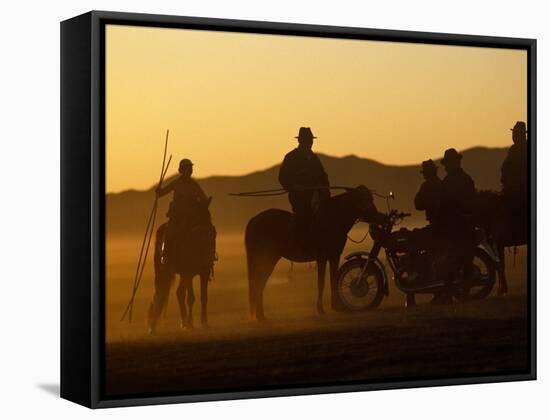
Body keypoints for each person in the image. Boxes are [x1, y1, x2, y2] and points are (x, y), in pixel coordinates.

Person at [437, 148, 477, 302]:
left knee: (452, 261)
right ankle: (461, 294)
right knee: (463, 262)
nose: (446, 167)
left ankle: (449, 294)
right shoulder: (466, 179)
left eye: (448, 163)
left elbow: (444, 203)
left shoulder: (449, 181)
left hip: (455, 228)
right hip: (464, 227)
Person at [156, 158, 214, 264]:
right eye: (187, 168)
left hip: (192, 215)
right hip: (177, 215)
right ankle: (165, 254)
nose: (189, 170)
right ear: (181, 170)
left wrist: (205, 202)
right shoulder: (176, 183)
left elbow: (203, 197)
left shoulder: (194, 184)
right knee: (170, 231)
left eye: (190, 168)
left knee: (208, 230)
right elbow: (163, 192)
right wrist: (159, 191)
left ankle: (209, 255)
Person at [278, 127, 330, 241]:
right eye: (307, 140)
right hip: (299, 197)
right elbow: (283, 178)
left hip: (317, 196)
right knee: (303, 216)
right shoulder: (291, 157)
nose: (309, 143)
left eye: (310, 140)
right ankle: (298, 242)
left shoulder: (314, 158)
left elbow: (323, 176)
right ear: (300, 141)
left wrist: (325, 189)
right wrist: (294, 187)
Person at [501, 121, 528, 219]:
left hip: (518, 194)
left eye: (515, 134)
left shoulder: (524, 150)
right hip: (512, 191)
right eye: (513, 133)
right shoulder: (513, 150)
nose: (513, 136)